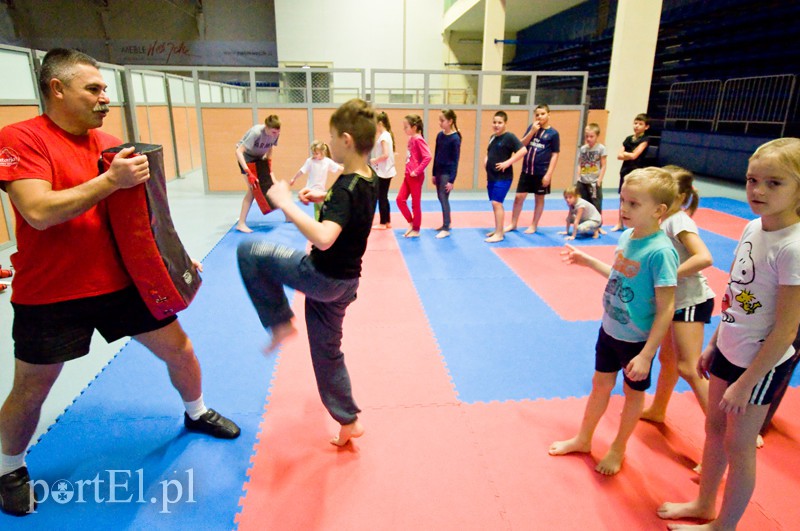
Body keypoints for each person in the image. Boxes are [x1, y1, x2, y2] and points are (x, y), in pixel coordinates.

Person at [0, 49, 240, 517]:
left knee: (181, 349)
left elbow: (144, 218)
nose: (104, 97)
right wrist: (110, 180)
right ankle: (10, 468)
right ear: (57, 89)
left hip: (120, 285)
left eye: (105, 88)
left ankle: (196, 412)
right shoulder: (22, 138)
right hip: (50, 293)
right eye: (93, 88)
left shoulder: (108, 142)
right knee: (32, 389)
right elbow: (39, 211)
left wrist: (175, 259)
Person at [658, 138, 800, 530]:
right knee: (714, 428)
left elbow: (787, 330)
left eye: (775, 183)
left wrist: (748, 381)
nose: (757, 190)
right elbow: (737, 294)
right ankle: (705, 503)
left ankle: (725, 525)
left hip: (761, 361)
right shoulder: (754, 227)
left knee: (739, 446)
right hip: (730, 347)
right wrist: (716, 341)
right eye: (753, 179)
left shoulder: (793, 247)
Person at [237, 98, 378, 447]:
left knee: (250, 252)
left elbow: (325, 238)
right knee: (327, 353)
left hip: (323, 276)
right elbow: (349, 211)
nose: (328, 143)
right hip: (346, 284)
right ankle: (348, 421)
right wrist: (320, 198)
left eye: (331, 137)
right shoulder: (366, 178)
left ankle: (280, 321)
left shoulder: (346, 188)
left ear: (345, 139)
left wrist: (284, 202)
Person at [549, 167, 678, 476]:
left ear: (659, 211)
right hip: (609, 329)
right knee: (600, 385)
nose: (624, 209)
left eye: (634, 204)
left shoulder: (661, 252)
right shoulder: (626, 236)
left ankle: (618, 447)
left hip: (636, 341)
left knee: (633, 395)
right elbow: (620, 277)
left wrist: (647, 354)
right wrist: (588, 260)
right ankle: (584, 438)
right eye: (623, 201)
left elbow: (667, 308)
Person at [641, 166, 715, 425]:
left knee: (689, 367)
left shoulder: (679, 220)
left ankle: (724, 434)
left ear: (682, 197)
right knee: (668, 360)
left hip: (691, 301)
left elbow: (704, 257)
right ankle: (658, 410)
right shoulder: (662, 219)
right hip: (675, 302)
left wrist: (668, 279)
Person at [505, 104, 560, 235]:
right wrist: (532, 132)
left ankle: (534, 225)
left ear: (548, 114)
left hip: (541, 172)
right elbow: (521, 145)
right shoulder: (532, 128)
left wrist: (549, 174)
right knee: (519, 197)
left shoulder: (553, 134)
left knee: (539, 198)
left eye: (543, 114)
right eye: (537, 114)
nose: (540, 117)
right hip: (527, 170)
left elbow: (555, 154)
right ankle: (513, 223)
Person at [485, 111, 527, 243]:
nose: (496, 125)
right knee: (494, 204)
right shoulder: (493, 137)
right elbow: (489, 152)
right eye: (494, 122)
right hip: (492, 176)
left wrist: (508, 163)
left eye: (499, 123)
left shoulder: (509, 137)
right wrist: (486, 161)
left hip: (503, 177)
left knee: (497, 203)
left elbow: (523, 150)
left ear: (505, 123)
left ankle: (499, 234)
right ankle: (498, 229)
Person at [235, 114, 281, 233]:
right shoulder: (256, 133)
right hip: (246, 159)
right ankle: (241, 223)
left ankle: (288, 216)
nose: (276, 135)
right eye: (273, 132)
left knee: (273, 184)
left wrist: (268, 165)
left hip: (259, 159)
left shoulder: (276, 133)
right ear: (266, 127)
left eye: (277, 132)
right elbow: (239, 151)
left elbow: (270, 148)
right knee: (252, 189)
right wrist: (248, 172)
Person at [611, 113, 650, 232]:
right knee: (622, 197)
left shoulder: (645, 139)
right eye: (635, 123)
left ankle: (636, 223)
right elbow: (619, 156)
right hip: (625, 170)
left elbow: (635, 155)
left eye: (640, 124)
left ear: (646, 127)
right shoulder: (628, 139)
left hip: (637, 171)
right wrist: (628, 155)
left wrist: (627, 154)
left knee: (636, 198)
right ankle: (620, 222)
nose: (637, 126)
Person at [396, 114, 431, 238]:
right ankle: (411, 223)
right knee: (400, 200)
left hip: (415, 177)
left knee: (415, 204)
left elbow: (428, 156)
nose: (404, 129)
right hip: (408, 176)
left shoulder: (418, 139)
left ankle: (416, 229)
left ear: (414, 127)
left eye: (406, 127)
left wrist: (417, 171)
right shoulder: (411, 139)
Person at [290, 140, 343, 219]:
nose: (314, 155)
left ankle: (318, 221)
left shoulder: (327, 161)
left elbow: (339, 168)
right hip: (310, 189)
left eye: (316, 153)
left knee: (318, 208)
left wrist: (350, 171)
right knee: (320, 206)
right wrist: (294, 178)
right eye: (313, 153)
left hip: (320, 190)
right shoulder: (310, 161)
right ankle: (320, 221)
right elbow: (302, 171)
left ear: (322, 152)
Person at [432, 109, 462, 239]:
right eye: (440, 120)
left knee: (443, 197)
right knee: (440, 196)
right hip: (438, 171)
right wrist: (433, 173)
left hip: (447, 172)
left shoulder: (455, 138)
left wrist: (452, 180)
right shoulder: (440, 135)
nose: (440, 123)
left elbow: (456, 160)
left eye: (442, 120)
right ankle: (446, 223)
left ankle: (446, 226)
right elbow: (436, 154)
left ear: (450, 121)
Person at [576, 123, 607, 233]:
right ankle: (583, 223)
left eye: (591, 136)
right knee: (583, 203)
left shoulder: (601, 148)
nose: (588, 139)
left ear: (597, 136)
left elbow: (603, 165)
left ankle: (598, 226)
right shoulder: (583, 149)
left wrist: (599, 179)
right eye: (587, 136)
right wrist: (578, 176)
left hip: (594, 182)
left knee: (596, 204)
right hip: (583, 180)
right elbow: (580, 163)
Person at [369, 112, 397, 230]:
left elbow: (385, 154)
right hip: (386, 171)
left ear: (380, 123)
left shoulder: (384, 137)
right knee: (384, 196)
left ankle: (382, 222)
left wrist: (375, 160)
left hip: (383, 172)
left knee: (381, 196)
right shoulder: (387, 135)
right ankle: (387, 221)